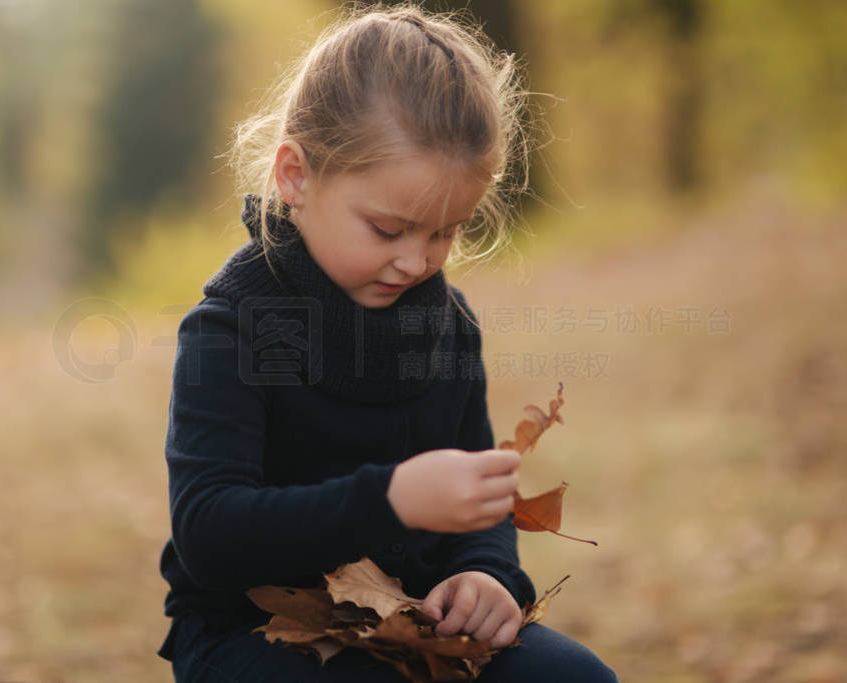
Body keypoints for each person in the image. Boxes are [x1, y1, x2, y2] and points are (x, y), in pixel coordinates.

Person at [156, 4, 618, 681]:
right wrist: (391, 500)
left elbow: (476, 502)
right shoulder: (231, 328)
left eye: (443, 232)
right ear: (296, 176)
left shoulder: (446, 328)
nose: (416, 261)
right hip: (251, 632)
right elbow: (210, 533)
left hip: (413, 618)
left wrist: (487, 574)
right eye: (387, 229)